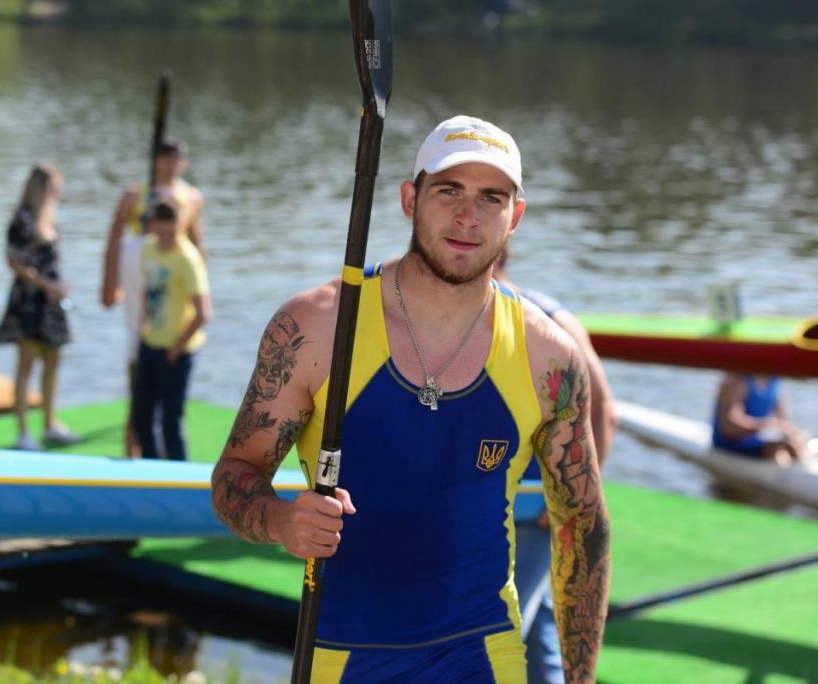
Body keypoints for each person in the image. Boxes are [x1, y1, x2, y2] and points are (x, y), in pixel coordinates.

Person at [212, 115, 610, 682]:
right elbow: (236, 473)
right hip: (340, 654)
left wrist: (580, 679)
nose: (468, 217)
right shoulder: (318, 326)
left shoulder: (549, 357)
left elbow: (583, 526)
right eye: (449, 191)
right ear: (409, 199)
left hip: (482, 655)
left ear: (515, 217)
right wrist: (278, 521)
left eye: (491, 198)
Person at [494, 250, 618, 684]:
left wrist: (570, 497)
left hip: (534, 510)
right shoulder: (474, 316)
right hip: (497, 502)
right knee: (539, 625)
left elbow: (604, 412)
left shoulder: (548, 320)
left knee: (504, 632)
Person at [100, 137, 206, 457]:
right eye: (165, 159)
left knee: (169, 415)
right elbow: (115, 238)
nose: (170, 166)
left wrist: (199, 287)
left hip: (175, 294)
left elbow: (198, 244)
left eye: (175, 160)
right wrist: (110, 284)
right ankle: (133, 449)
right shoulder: (136, 195)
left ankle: (156, 458)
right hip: (144, 284)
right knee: (140, 387)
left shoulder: (191, 198)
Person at [0, 163, 78, 451]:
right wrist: (45, 284)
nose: (57, 193)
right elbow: (13, 262)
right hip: (29, 300)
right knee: (26, 363)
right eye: (54, 188)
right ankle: (23, 432)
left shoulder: (49, 218)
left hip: (51, 301)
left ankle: (50, 423)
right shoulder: (22, 220)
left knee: (53, 359)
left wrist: (57, 287)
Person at [132, 200, 210, 461]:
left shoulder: (187, 258)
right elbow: (148, 287)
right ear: (154, 226)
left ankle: (179, 475)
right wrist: (143, 321)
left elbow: (203, 313)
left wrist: (176, 348)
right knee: (141, 419)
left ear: (182, 227)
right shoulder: (149, 249)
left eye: (171, 233)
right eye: (161, 232)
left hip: (177, 351)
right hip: (150, 343)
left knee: (170, 423)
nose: (166, 239)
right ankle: (150, 471)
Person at [713, 373, 806, 466]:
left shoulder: (774, 380)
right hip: (731, 444)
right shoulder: (736, 380)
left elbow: (784, 420)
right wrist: (768, 425)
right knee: (775, 447)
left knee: (794, 442)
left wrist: (792, 434)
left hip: (757, 440)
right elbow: (728, 429)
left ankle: (800, 467)